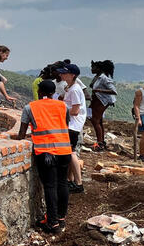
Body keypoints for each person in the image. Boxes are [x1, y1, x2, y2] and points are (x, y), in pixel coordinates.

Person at [15, 79, 72, 233]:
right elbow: (64, 125)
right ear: (53, 93)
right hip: (65, 150)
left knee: (50, 186)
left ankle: (52, 223)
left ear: (39, 92)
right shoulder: (63, 106)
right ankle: (61, 218)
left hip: (46, 152)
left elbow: (21, 134)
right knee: (62, 183)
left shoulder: (30, 107)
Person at [56, 63, 86, 193]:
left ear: (72, 75)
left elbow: (75, 110)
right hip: (71, 124)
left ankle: (78, 183)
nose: (61, 74)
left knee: (71, 153)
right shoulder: (70, 88)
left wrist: (60, 107)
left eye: (64, 73)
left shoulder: (74, 89)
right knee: (70, 152)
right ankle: (70, 180)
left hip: (73, 125)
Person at [89, 60, 117, 151]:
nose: (91, 69)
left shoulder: (104, 78)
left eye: (93, 67)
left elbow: (114, 91)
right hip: (97, 100)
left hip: (102, 101)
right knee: (98, 120)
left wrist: (99, 90)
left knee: (95, 120)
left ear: (99, 69)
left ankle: (99, 143)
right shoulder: (97, 77)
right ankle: (101, 141)